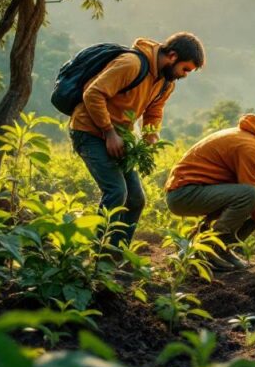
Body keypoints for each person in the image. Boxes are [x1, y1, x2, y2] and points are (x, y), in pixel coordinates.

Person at [70, 33, 205, 246]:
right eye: (185, 69)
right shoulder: (131, 64)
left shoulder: (165, 83)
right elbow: (93, 94)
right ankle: (98, 253)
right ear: (172, 56)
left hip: (120, 137)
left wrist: (150, 136)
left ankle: (116, 253)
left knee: (136, 199)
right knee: (116, 192)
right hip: (89, 131)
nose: (184, 75)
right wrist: (109, 132)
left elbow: (154, 111)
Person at [164, 110, 255, 270]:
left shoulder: (254, 142)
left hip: (198, 190)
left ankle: (221, 248)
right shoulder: (250, 147)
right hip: (184, 193)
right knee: (252, 195)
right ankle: (210, 250)